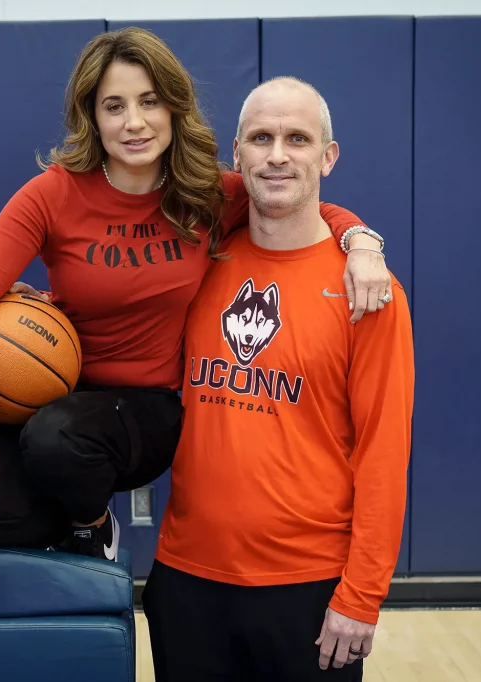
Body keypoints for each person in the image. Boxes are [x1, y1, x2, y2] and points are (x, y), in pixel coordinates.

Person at [0, 28, 392, 560]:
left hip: (145, 410)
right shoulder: (53, 195)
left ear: (173, 107)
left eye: (149, 102)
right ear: (92, 117)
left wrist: (362, 242)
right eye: (114, 106)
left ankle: (94, 525)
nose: (134, 122)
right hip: (56, 391)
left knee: (57, 442)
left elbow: (302, 203)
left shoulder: (206, 193)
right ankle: (69, 507)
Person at [141, 76, 414, 681]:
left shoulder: (369, 294)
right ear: (236, 156)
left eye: (298, 138)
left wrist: (362, 594)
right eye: (260, 138)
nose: (278, 155)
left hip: (308, 590)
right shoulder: (198, 261)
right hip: (186, 580)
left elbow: (383, 455)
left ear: (328, 156)